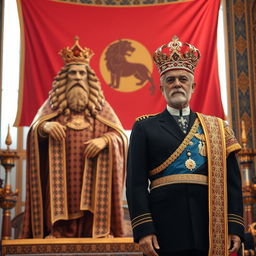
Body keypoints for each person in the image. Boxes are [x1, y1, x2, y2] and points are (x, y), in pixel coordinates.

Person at [126, 36, 244, 256]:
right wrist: (143, 229)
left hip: (210, 225)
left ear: (193, 86)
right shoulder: (144, 127)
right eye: (170, 80)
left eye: (183, 79)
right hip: (164, 228)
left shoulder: (217, 127)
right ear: (161, 87)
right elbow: (136, 184)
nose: (177, 84)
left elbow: (232, 182)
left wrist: (235, 226)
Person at [21, 37, 127, 239]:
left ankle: (94, 230)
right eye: (73, 73)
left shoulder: (101, 107)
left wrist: (105, 140)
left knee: (92, 203)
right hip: (60, 172)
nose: (77, 77)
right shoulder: (52, 105)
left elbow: (120, 135)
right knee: (60, 199)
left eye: (81, 73)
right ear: (65, 78)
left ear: (88, 79)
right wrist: (45, 126)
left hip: (94, 173)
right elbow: (35, 129)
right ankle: (57, 231)